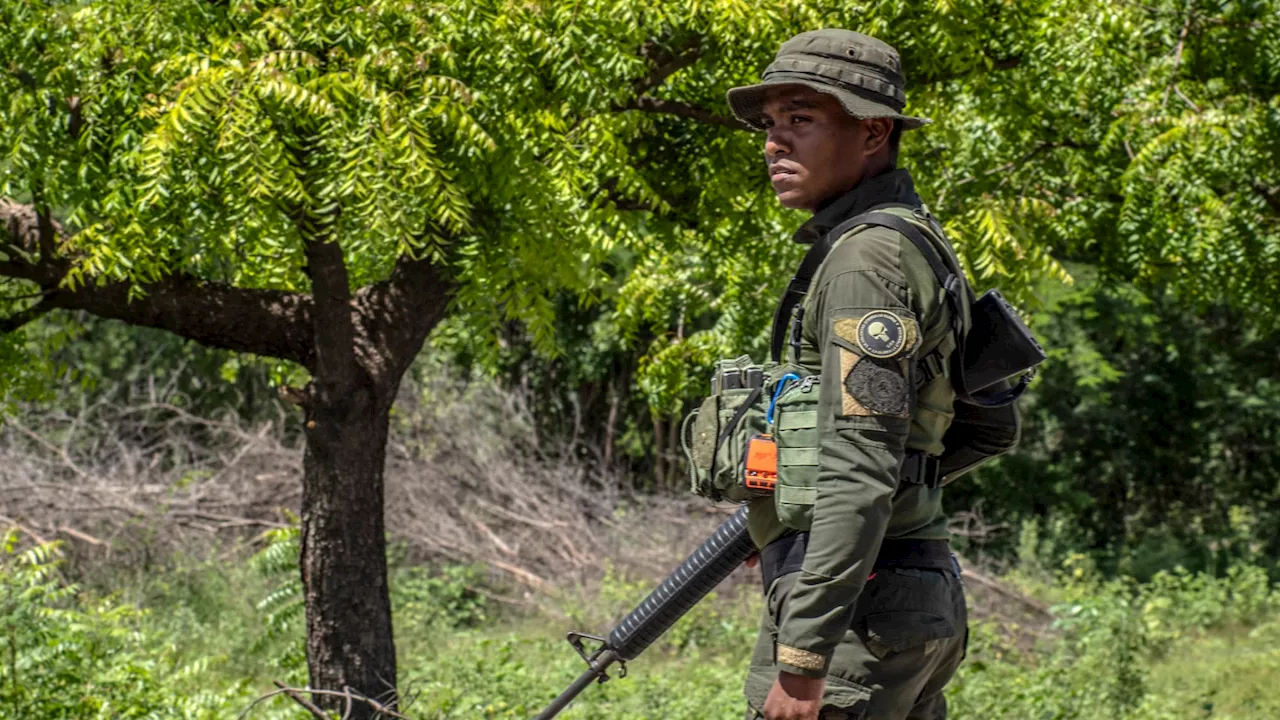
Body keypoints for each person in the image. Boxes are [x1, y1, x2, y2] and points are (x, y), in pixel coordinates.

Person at [725, 29, 971, 720]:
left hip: (858, 618)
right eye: (771, 125)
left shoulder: (868, 260)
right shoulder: (905, 237)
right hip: (896, 590)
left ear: (872, 132)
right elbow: (978, 429)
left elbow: (861, 465)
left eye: (801, 120)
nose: (775, 143)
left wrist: (803, 662)